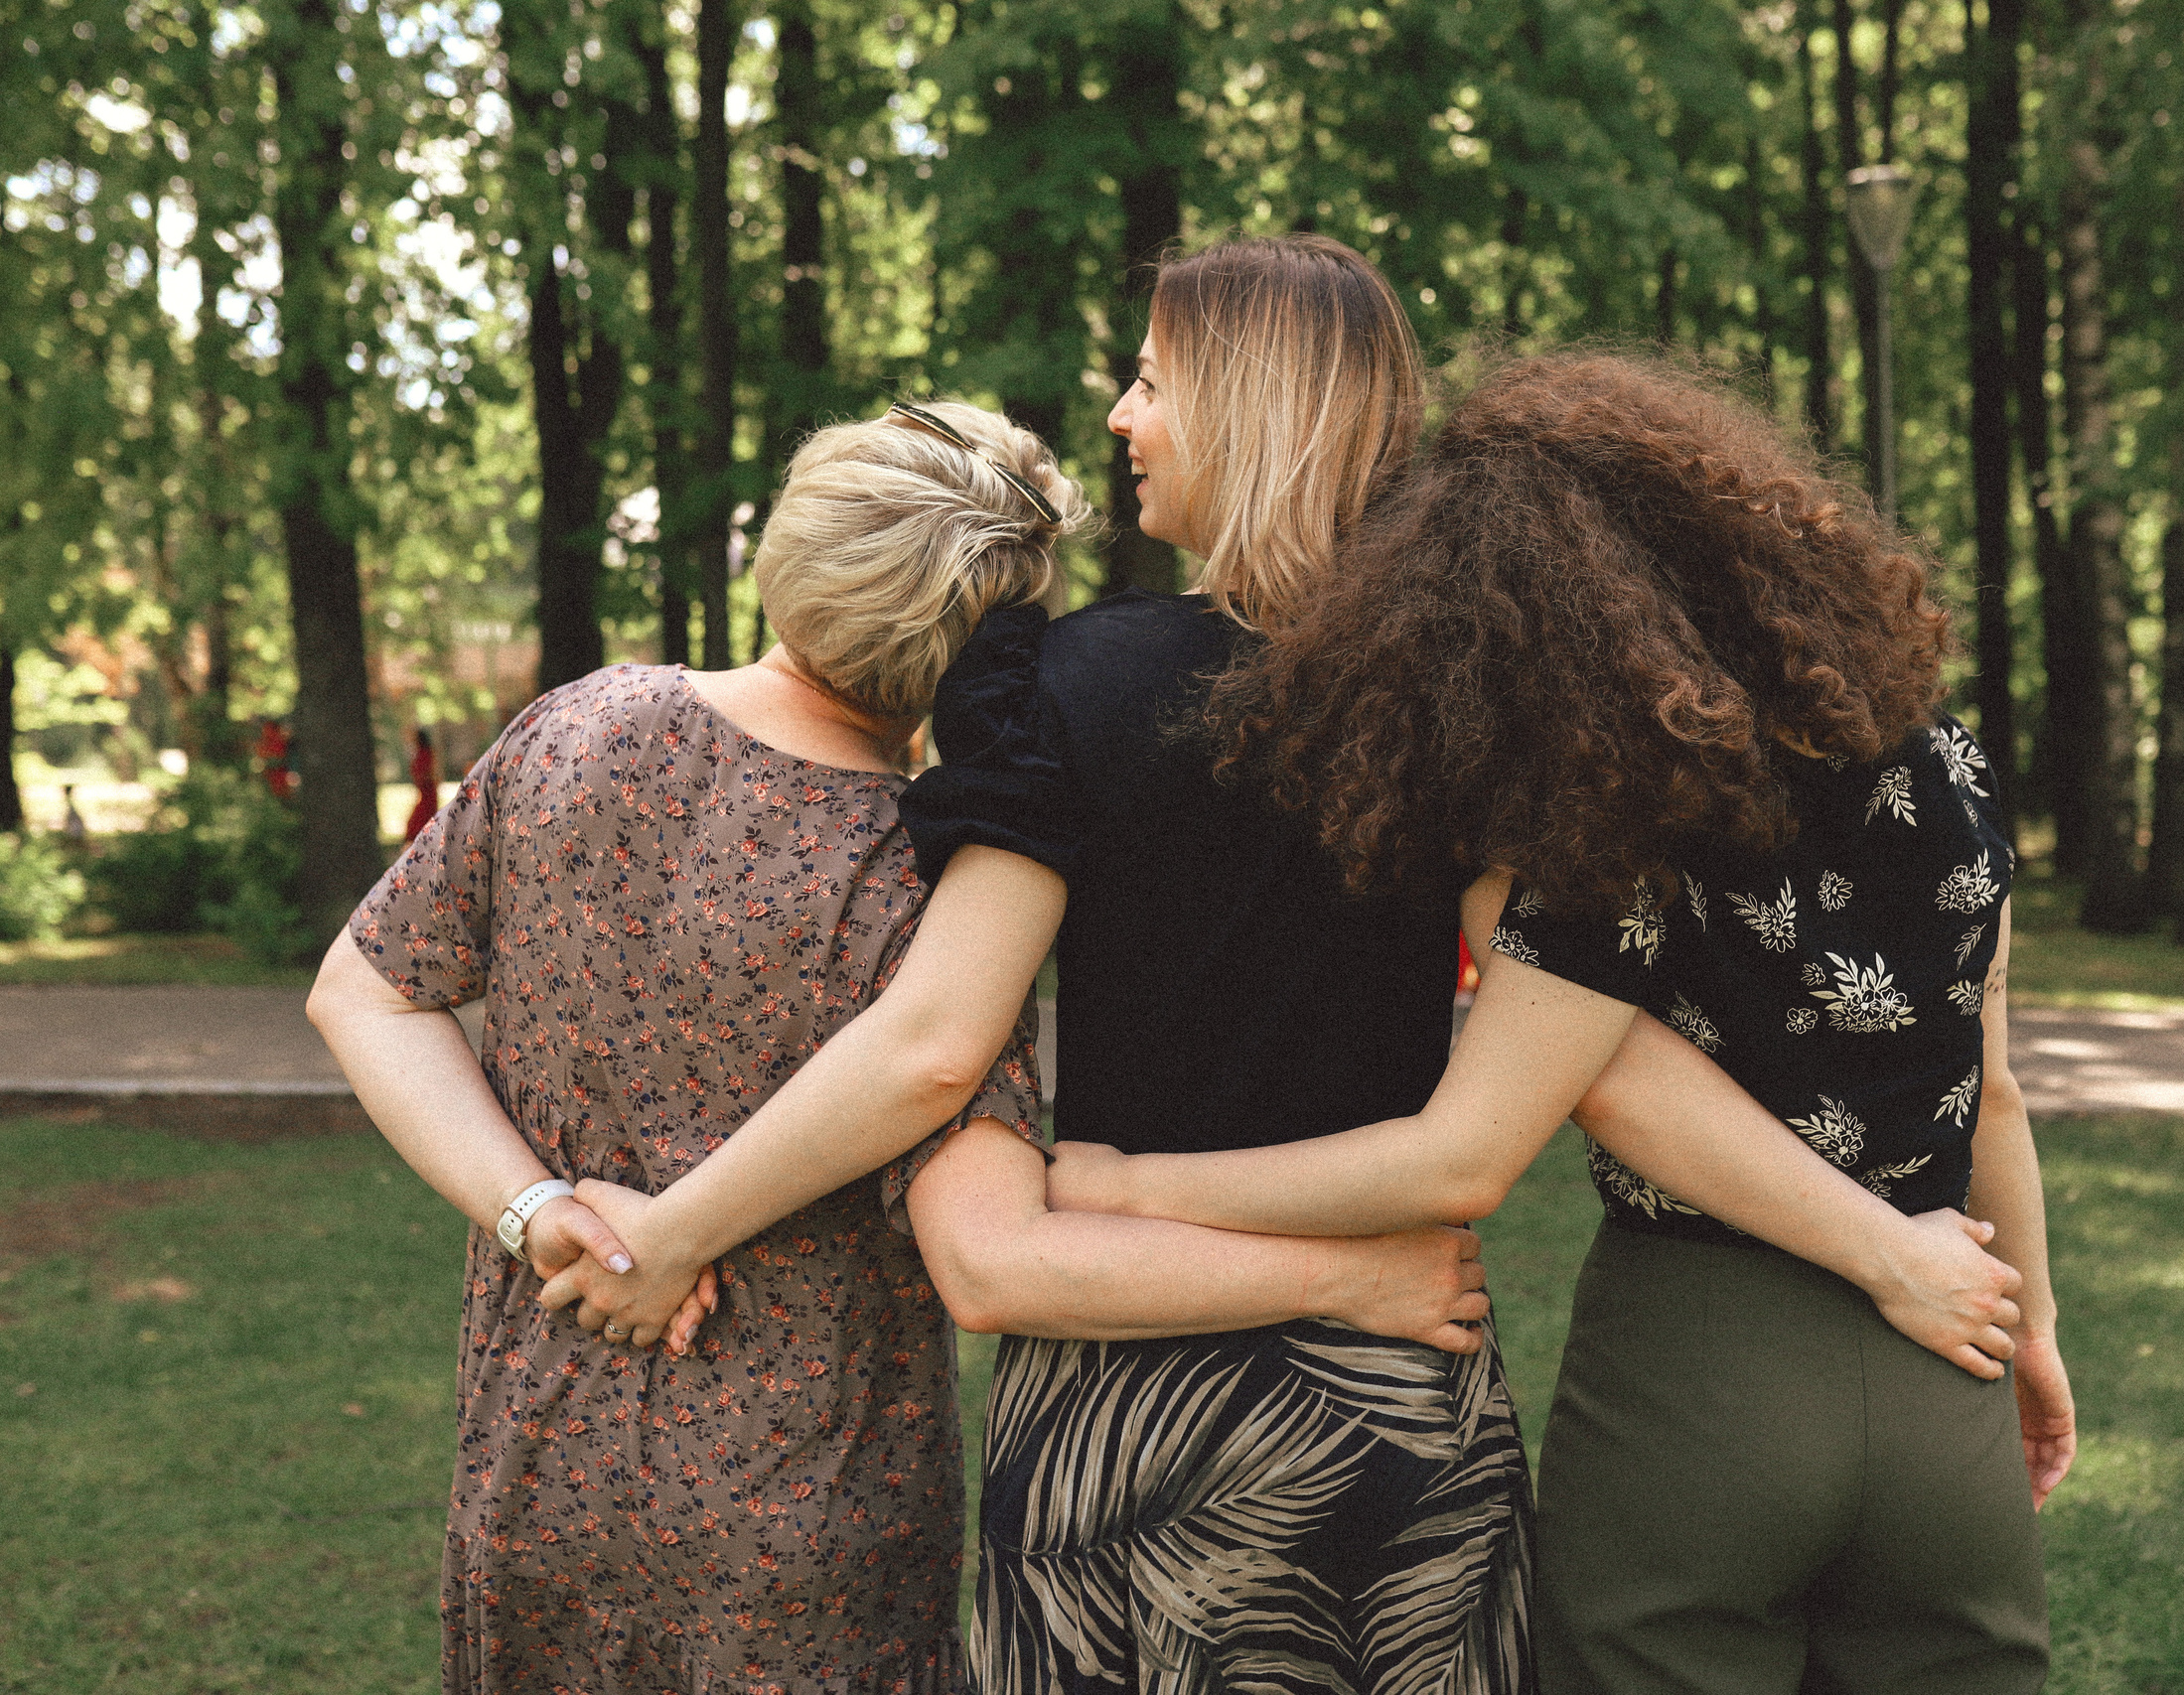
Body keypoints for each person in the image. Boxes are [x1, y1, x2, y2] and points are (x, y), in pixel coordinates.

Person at [536, 245, 2025, 1695]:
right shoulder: (1480, 705)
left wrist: (682, 1227)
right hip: (1392, 1395)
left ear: (1247, 409)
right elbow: (1573, 1067)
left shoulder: (1059, 683)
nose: (1120, 416)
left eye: (1150, 382)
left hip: (1125, 1414)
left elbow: (935, 1043)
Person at [1043, 351, 2075, 1693]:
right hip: (1955, 1347)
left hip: (1701, 1365)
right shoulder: (1944, 761)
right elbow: (1995, 1092)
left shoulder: (1603, 814)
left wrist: (1125, 1184)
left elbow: (1556, 1103)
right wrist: (2031, 1333)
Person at [307, 402, 1088, 1695]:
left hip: (538, 1461)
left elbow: (364, 991)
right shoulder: (931, 887)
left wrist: (536, 1209)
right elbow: (971, 1182)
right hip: (811, 1514)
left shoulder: (574, 731)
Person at [403, 726, 440, 843]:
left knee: (424, 814)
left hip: (428, 789)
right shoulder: (419, 753)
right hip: (424, 790)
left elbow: (430, 772)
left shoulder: (426, 753)